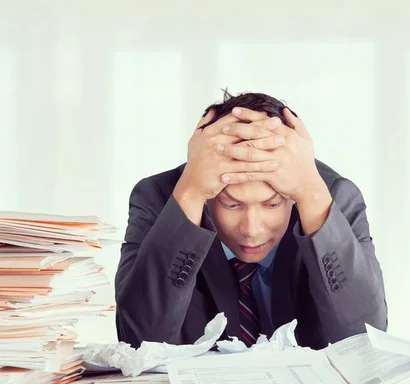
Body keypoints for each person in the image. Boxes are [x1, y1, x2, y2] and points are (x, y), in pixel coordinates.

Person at [114, 91, 387, 349]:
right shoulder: (163, 198)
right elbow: (139, 342)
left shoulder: (330, 196)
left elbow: (366, 341)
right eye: (231, 204)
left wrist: (312, 194)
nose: (251, 230)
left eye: (272, 204)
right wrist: (191, 193)